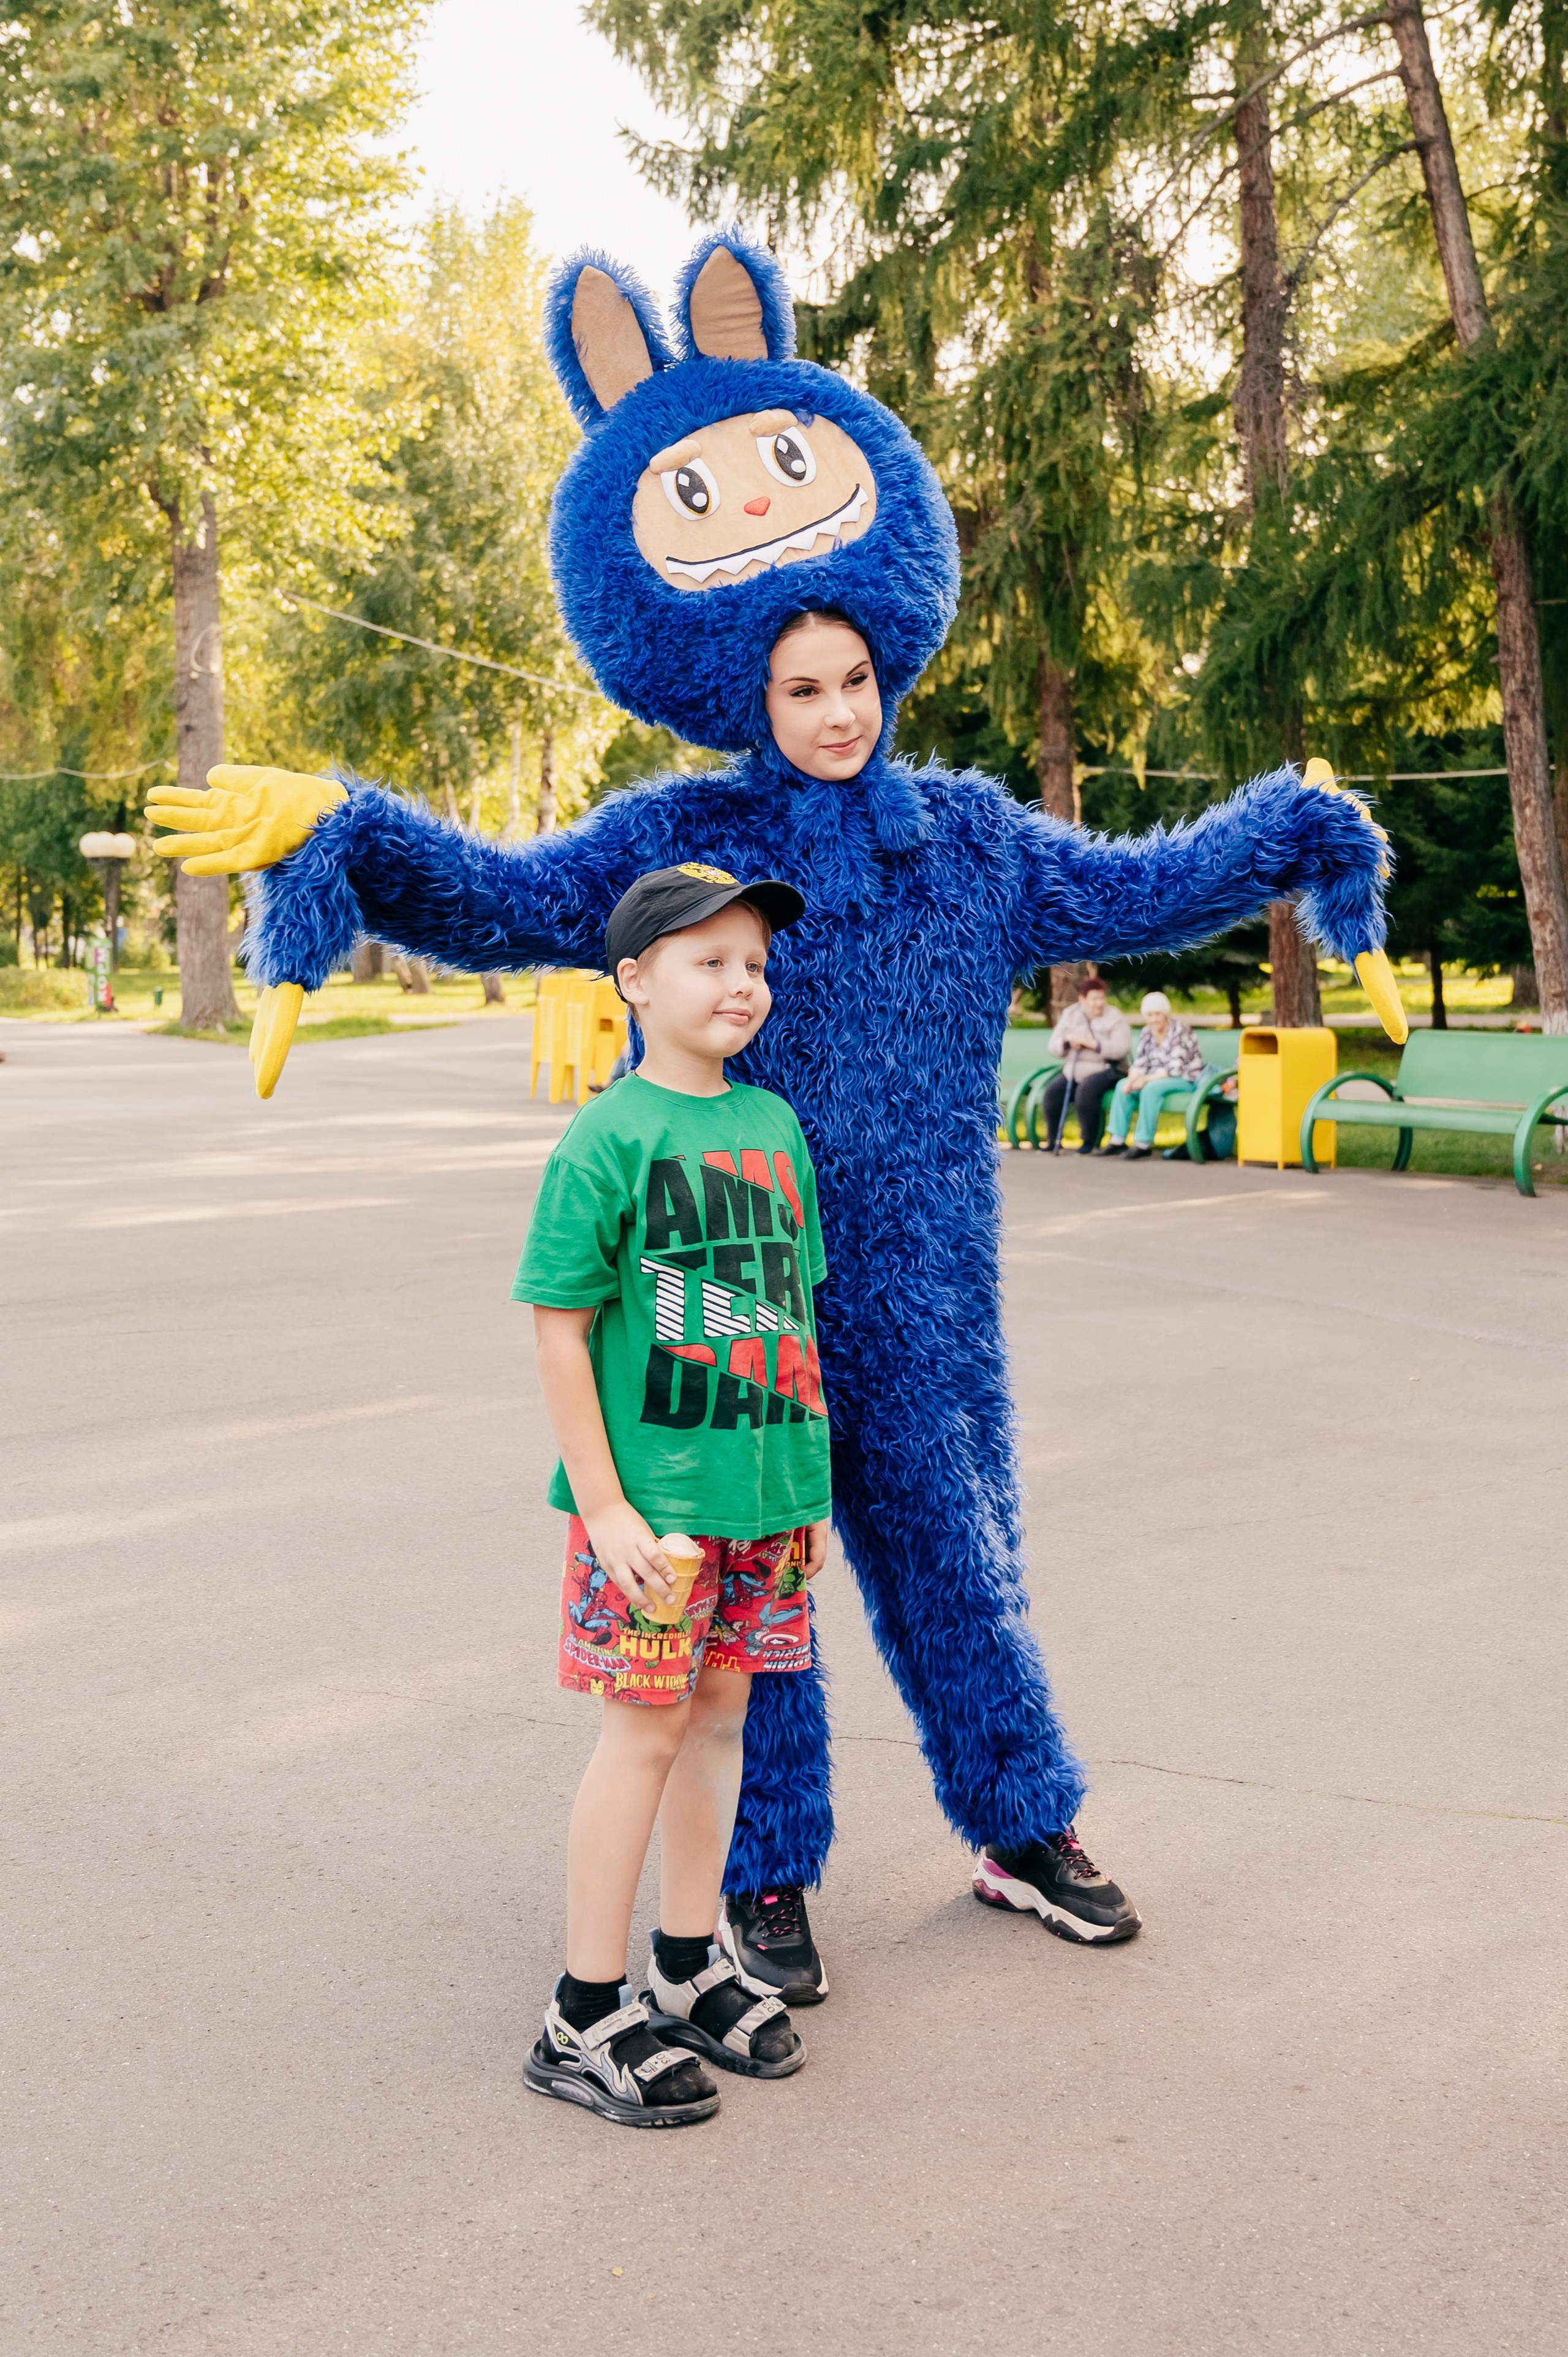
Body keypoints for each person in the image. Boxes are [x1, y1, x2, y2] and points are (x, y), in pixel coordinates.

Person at [149, 231, 1400, 1989]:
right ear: (744, 681)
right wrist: (347, 830)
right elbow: (503, 899)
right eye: (800, 688)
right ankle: (761, 1874)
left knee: (960, 1556)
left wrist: (1293, 834)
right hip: (732, 1291)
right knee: (762, 1599)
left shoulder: (969, 842)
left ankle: (1019, 1819)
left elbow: (1148, 883)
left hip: (926, 1291)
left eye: (854, 683)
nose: (834, 711)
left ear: (889, 664)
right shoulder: (673, 844)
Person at [515, 862, 829, 2127]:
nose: (739, 982)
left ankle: (688, 1958)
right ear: (635, 980)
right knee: (642, 1731)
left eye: (753, 961)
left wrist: (803, 1488)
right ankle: (582, 2008)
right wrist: (605, 1509)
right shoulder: (608, 1136)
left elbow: (791, 1314)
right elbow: (557, 1327)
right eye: (709, 960)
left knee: (719, 1720)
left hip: (766, 1502)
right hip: (654, 1520)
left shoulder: (773, 1125)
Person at [1102, 991, 1208, 1158]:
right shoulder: (1147, 1032)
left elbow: (1175, 1068)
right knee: (1122, 1085)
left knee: (1151, 1089)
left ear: (1165, 1013)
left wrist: (1144, 1080)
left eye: (1157, 1014)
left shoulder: (1180, 1030)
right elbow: (1140, 1063)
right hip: (1155, 1078)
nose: (1154, 1019)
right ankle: (1117, 1140)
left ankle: (1143, 1144)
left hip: (1185, 1078)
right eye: (1149, 1015)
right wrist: (1131, 1081)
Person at [1039, 978, 1132, 1154]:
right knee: (1053, 1092)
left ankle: (1089, 1141)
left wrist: (1092, 1043)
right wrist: (1068, 1043)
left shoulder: (1114, 1017)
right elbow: (1053, 1045)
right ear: (1082, 999)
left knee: (1086, 1090)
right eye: (1094, 999)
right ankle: (1053, 1140)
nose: (1100, 1003)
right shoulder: (1071, 1014)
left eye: (1102, 998)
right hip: (1073, 1070)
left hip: (1106, 1070)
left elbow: (1122, 1049)